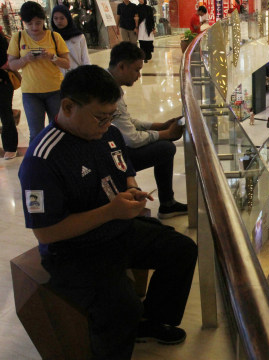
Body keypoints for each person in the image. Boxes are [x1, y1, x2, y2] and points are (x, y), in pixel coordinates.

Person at [18, 65, 198, 358]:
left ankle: (149, 321)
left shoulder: (108, 131)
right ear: (68, 106)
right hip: (73, 251)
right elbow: (46, 232)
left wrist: (131, 188)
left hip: (117, 228)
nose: (106, 124)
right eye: (100, 117)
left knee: (182, 249)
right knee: (120, 306)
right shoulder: (42, 158)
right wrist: (110, 212)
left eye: (111, 116)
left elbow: (123, 167)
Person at [108, 42, 188, 219]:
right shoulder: (108, 92)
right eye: (136, 70)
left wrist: (158, 126)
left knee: (163, 144)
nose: (139, 75)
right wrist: (166, 134)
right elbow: (132, 139)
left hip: (113, 147)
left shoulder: (111, 86)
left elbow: (127, 121)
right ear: (121, 66)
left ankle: (168, 203)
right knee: (166, 147)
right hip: (109, 156)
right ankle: (167, 203)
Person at [8, 2, 70, 144]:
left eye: (38, 23)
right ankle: (37, 164)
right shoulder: (17, 38)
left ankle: (59, 161)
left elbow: (67, 63)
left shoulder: (54, 37)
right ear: (23, 22)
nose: (35, 27)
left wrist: (52, 57)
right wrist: (25, 59)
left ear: (44, 20)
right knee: (36, 133)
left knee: (58, 130)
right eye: (30, 24)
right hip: (31, 92)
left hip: (55, 89)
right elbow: (12, 65)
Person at [51, 5, 90, 75]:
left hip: (76, 75)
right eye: (55, 18)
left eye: (62, 18)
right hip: (58, 77)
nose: (58, 21)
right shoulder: (51, 37)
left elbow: (85, 59)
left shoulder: (78, 37)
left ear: (68, 18)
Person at [0, 26, 18, 160]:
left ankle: (10, 147)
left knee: (5, 114)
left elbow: (4, 60)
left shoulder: (1, 37)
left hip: (3, 82)